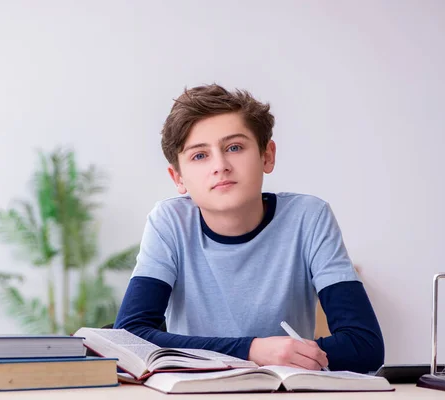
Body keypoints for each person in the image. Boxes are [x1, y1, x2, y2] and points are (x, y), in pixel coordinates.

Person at [114, 84, 384, 373]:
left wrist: (280, 354)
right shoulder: (170, 222)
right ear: (178, 178)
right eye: (199, 156)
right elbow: (128, 337)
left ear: (267, 156)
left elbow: (364, 346)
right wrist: (253, 350)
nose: (220, 166)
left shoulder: (308, 217)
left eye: (234, 147)